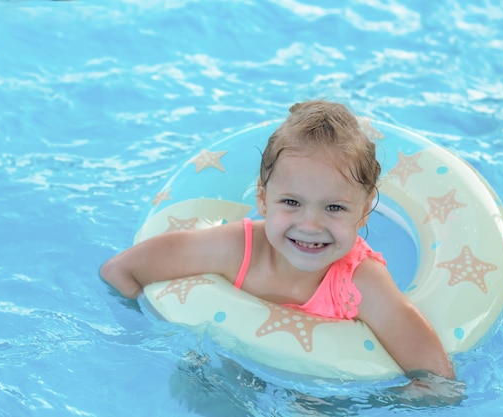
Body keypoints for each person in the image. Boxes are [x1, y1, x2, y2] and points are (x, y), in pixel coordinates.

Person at [100, 100, 456, 383]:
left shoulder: (362, 282)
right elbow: (121, 270)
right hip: (222, 378)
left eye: (334, 207)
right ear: (262, 199)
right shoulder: (234, 249)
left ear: (364, 213)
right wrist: (151, 331)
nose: (311, 225)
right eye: (291, 203)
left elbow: (436, 379)